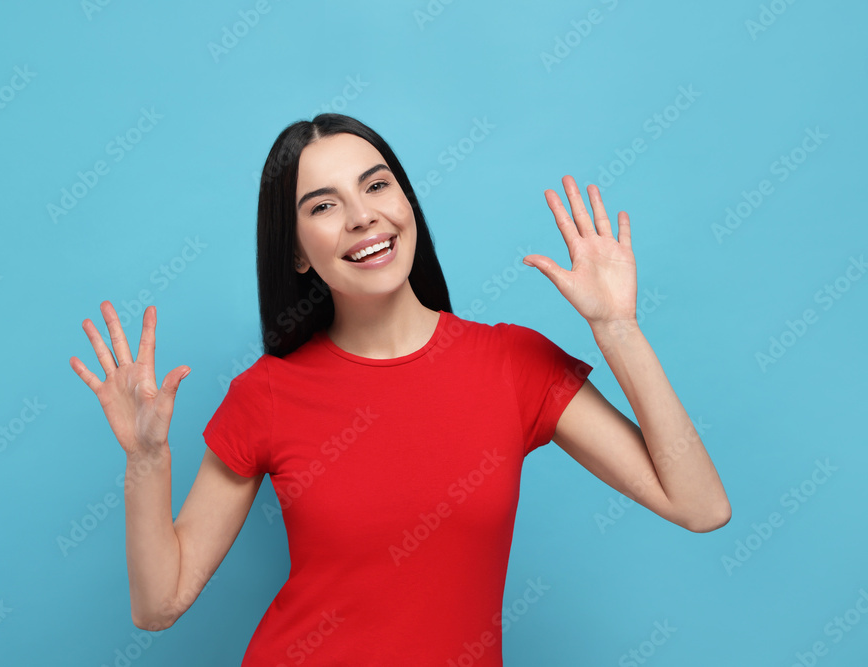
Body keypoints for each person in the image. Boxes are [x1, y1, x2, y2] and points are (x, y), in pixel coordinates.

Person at [69, 113, 731, 664]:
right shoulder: (267, 393)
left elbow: (700, 504)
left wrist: (617, 328)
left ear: (406, 202)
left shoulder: (512, 363)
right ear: (298, 251)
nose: (362, 216)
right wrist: (147, 460)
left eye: (376, 186)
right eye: (323, 205)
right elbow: (159, 605)